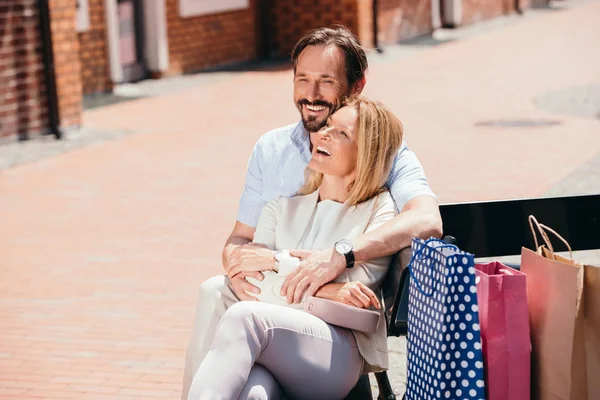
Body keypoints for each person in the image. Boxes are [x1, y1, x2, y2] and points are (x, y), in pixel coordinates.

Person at [181, 25, 442, 399]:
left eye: (325, 80)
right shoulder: (273, 158)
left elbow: (424, 222)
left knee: (240, 315)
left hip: (327, 341)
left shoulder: (386, 162)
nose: (311, 94)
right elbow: (241, 244)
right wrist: (247, 269)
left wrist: (332, 256)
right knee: (251, 384)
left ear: (355, 87)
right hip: (271, 325)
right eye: (302, 79)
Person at [188, 96, 404, 400]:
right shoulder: (280, 208)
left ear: (365, 155)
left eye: (342, 133)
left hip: (335, 351)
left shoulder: (379, 211)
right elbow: (248, 274)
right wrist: (325, 288)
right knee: (253, 394)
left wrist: (274, 262)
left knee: (244, 315)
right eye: (328, 125)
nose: (324, 133)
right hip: (273, 348)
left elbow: (354, 295)